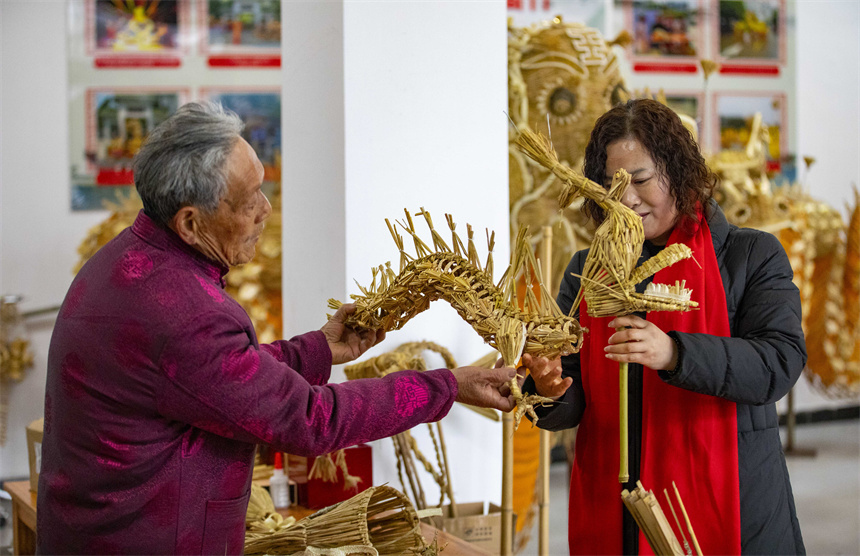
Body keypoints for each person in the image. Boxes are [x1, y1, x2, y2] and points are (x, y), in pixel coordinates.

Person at [37, 101, 518, 554]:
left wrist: (320, 350)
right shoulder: (186, 310)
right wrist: (448, 387)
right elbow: (310, 419)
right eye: (249, 201)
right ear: (190, 222)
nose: (267, 209)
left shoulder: (127, 260)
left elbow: (212, 378)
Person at [521, 99, 806, 554]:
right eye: (613, 185)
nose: (628, 198)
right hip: (615, 506)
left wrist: (676, 354)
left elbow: (779, 363)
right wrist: (548, 388)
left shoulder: (750, 256)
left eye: (640, 180)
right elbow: (571, 396)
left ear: (677, 170)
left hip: (733, 502)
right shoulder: (584, 268)